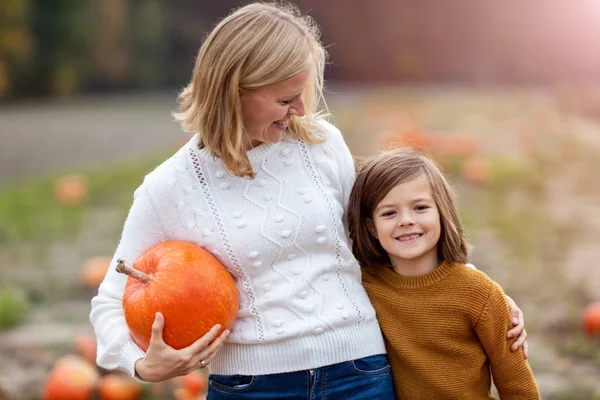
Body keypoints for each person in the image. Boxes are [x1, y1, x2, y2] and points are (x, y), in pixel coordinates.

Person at [89, 2, 528, 399]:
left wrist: (474, 289)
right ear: (234, 90)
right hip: (250, 388)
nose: (300, 109)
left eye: (302, 94)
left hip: (360, 372)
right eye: (285, 98)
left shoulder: (321, 144)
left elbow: (383, 235)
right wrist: (141, 365)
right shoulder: (171, 187)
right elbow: (110, 299)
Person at [347, 148, 540, 399]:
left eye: (420, 207)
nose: (405, 220)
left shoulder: (479, 292)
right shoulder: (363, 287)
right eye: (389, 213)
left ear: (442, 211)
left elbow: (517, 384)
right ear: (371, 227)